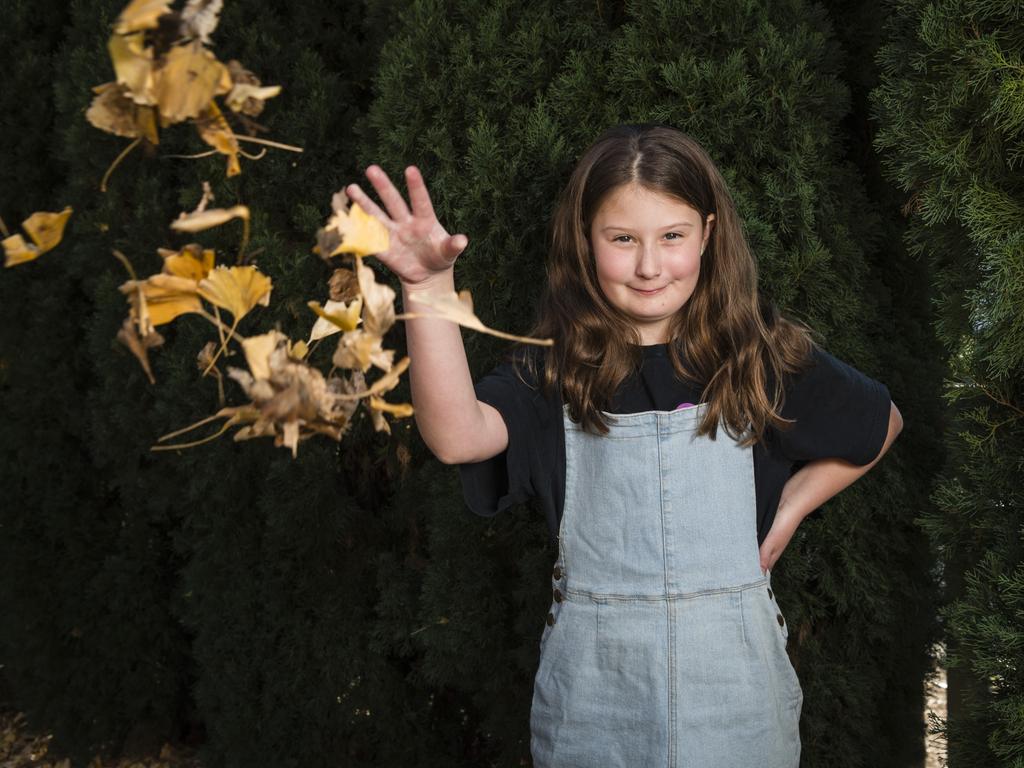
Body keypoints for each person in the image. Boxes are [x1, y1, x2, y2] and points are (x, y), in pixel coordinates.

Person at [345, 123, 904, 768]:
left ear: (709, 235)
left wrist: (792, 508)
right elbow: (457, 438)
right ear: (586, 242)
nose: (648, 264)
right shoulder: (552, 371)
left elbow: (881, 422)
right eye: (622, 239)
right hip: (594, 701)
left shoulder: (758, 354)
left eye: (672, 237)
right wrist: (426, 291)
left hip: (738, 696)